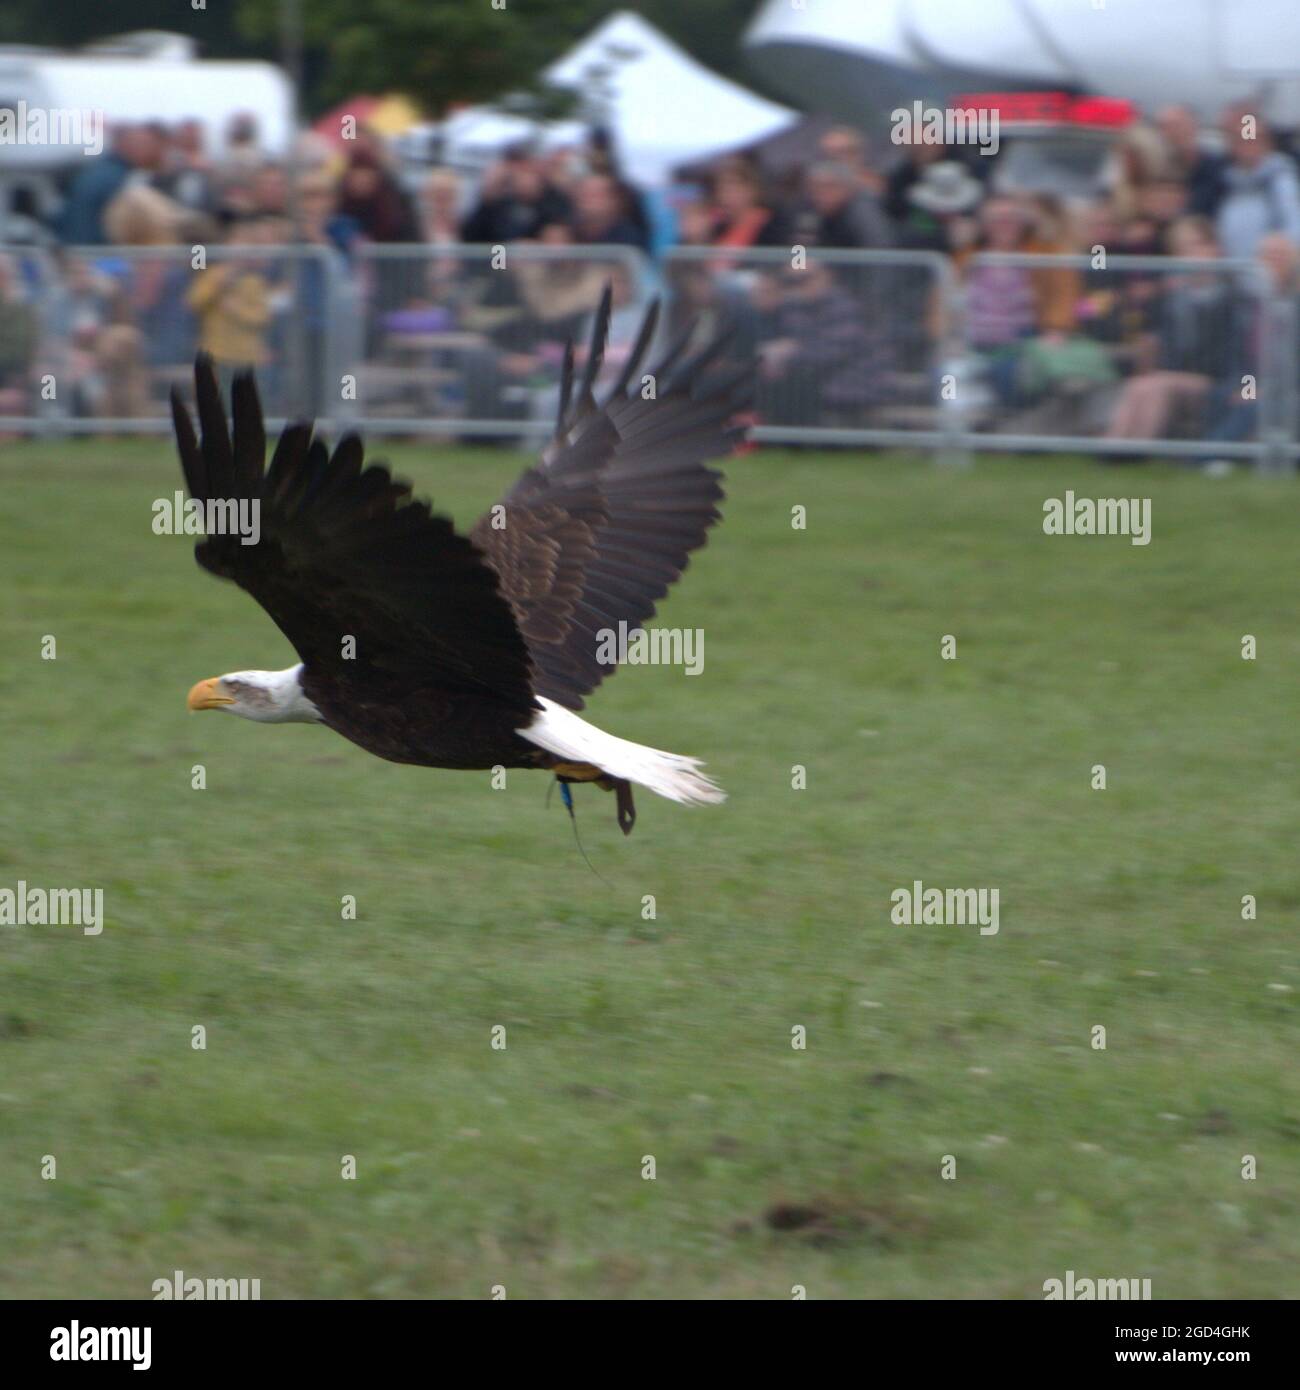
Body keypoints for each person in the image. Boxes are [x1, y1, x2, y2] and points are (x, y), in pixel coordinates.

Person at [1104, 216, 1246, 444]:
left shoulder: (1234, 298)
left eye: (1198, 244)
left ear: (1215, 248)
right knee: (1139, 385)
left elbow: (1239, 352)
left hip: (1216, 380)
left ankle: (1137, 447)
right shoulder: (1172, 299)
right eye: (1183, 248)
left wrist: (1245, 386)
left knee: (1159, 385)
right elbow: (1160, 342)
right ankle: (1112, 444)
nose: (1192, 254)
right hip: (1175, 374)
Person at [1215, 106, 1300, 258]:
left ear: (1266, 143)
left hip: (1269, 270)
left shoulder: (1280, 180)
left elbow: (1293, 224)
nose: (1248, 148)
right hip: (1234, 269)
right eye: (1242, 141)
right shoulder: (1226, 181)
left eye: (1254, 141)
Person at [790, 161, 892, 249]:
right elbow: (797, 251)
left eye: (830, 186)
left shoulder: (864, 215)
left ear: (849, 188)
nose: (822, 193)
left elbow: (878, 258)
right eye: (815, 187)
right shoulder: (806, 212)